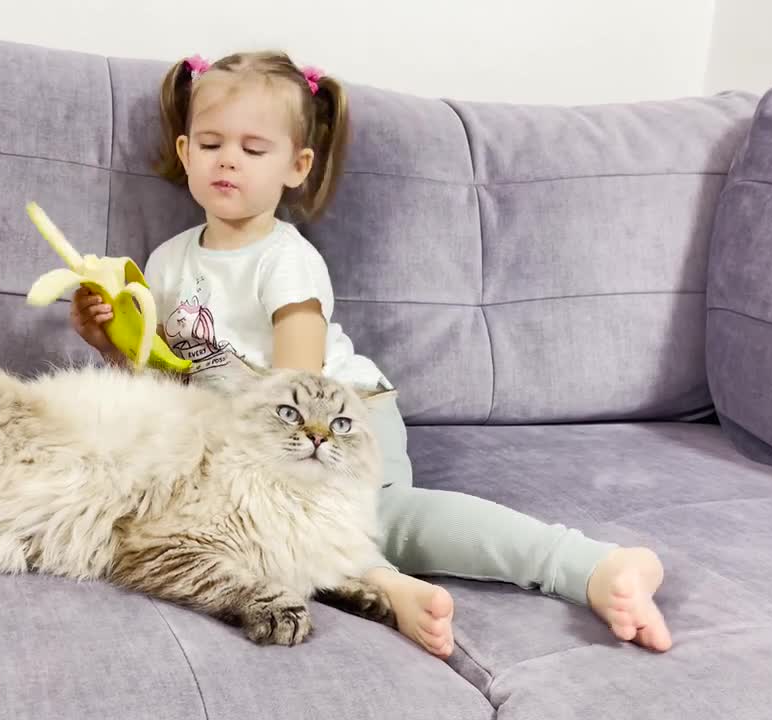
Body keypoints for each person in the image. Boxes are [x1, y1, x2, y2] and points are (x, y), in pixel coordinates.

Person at [70, 51, 672, 657]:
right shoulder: (169, 261)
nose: (228, 159)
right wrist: (113, 345)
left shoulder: (286, 259)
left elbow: (300, 387)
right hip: (245, 443)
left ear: (295, 166)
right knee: (252, 534)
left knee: (387, 515)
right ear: (184, 152)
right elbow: (169, 383)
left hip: (332, 422)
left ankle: (590, 565)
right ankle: (390, 588)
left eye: (254, 150)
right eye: (210, 144)